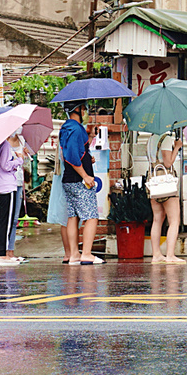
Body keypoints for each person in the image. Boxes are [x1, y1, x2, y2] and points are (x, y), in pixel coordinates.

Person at [60, 101, 103, 265]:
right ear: (76, 109)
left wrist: (87, 155)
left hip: (69, 179)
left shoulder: (66, 128)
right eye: (83, 108)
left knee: (73, 217)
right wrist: (85, 175)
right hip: (79, 180)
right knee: (91, 216)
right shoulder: (76, 129)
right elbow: (71, 155)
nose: (85, 111)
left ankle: (74, 255)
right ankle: (86, 253)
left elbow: (77, 152)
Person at [148, 131, 185, 264]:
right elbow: (168, 163)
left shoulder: (151, 138)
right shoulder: (166, 138)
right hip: (166, 181)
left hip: (153, 179)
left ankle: (156, 254)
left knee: (157, 219)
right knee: (174, 219)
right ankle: (170, 255)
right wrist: (177, 147)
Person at [0, 132, 24, 267]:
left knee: (1, 221)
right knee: (7, 222)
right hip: (7, 187)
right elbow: (6, 165)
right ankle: (2, 254)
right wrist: (19, 160)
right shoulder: (5, 145)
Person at [4, 132, 29, 263]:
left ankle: (11, 250)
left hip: (19, 181)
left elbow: (24, 164)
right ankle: (3, 251)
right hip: (7, 183)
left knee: (14, 220)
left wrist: (24, 156)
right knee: (6, 219)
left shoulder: (22, 139)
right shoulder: (3, 141)